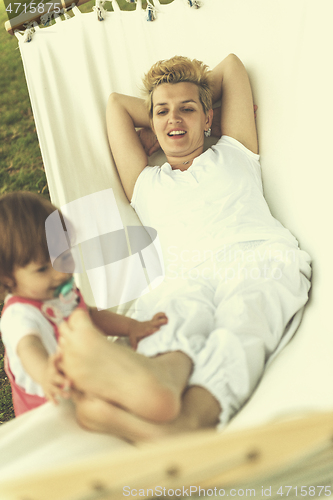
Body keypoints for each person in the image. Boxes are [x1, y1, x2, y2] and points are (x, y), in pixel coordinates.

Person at [58, 54, 311, 441]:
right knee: (172, 317)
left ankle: (190, 419)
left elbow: (231, 67)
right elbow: (116, 105)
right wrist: (160, 123)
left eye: (187, 110)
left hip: (258, 260)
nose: (173, 118)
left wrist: (191, 95)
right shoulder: (144, 181)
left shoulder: (235, 150)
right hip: (182, 275)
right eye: (162, 112)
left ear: (209, 118)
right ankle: (159, 383)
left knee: (244, 319)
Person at [0, 191, 167, 417]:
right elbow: (28, 346)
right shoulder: (18, 315)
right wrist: (45, 373)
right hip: (47, 408)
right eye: (42, 269)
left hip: (83, 383)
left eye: (64, 257)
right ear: (8, 278)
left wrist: (131, 327)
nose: (59, 273)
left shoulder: (56, 292)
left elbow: (89, 315)